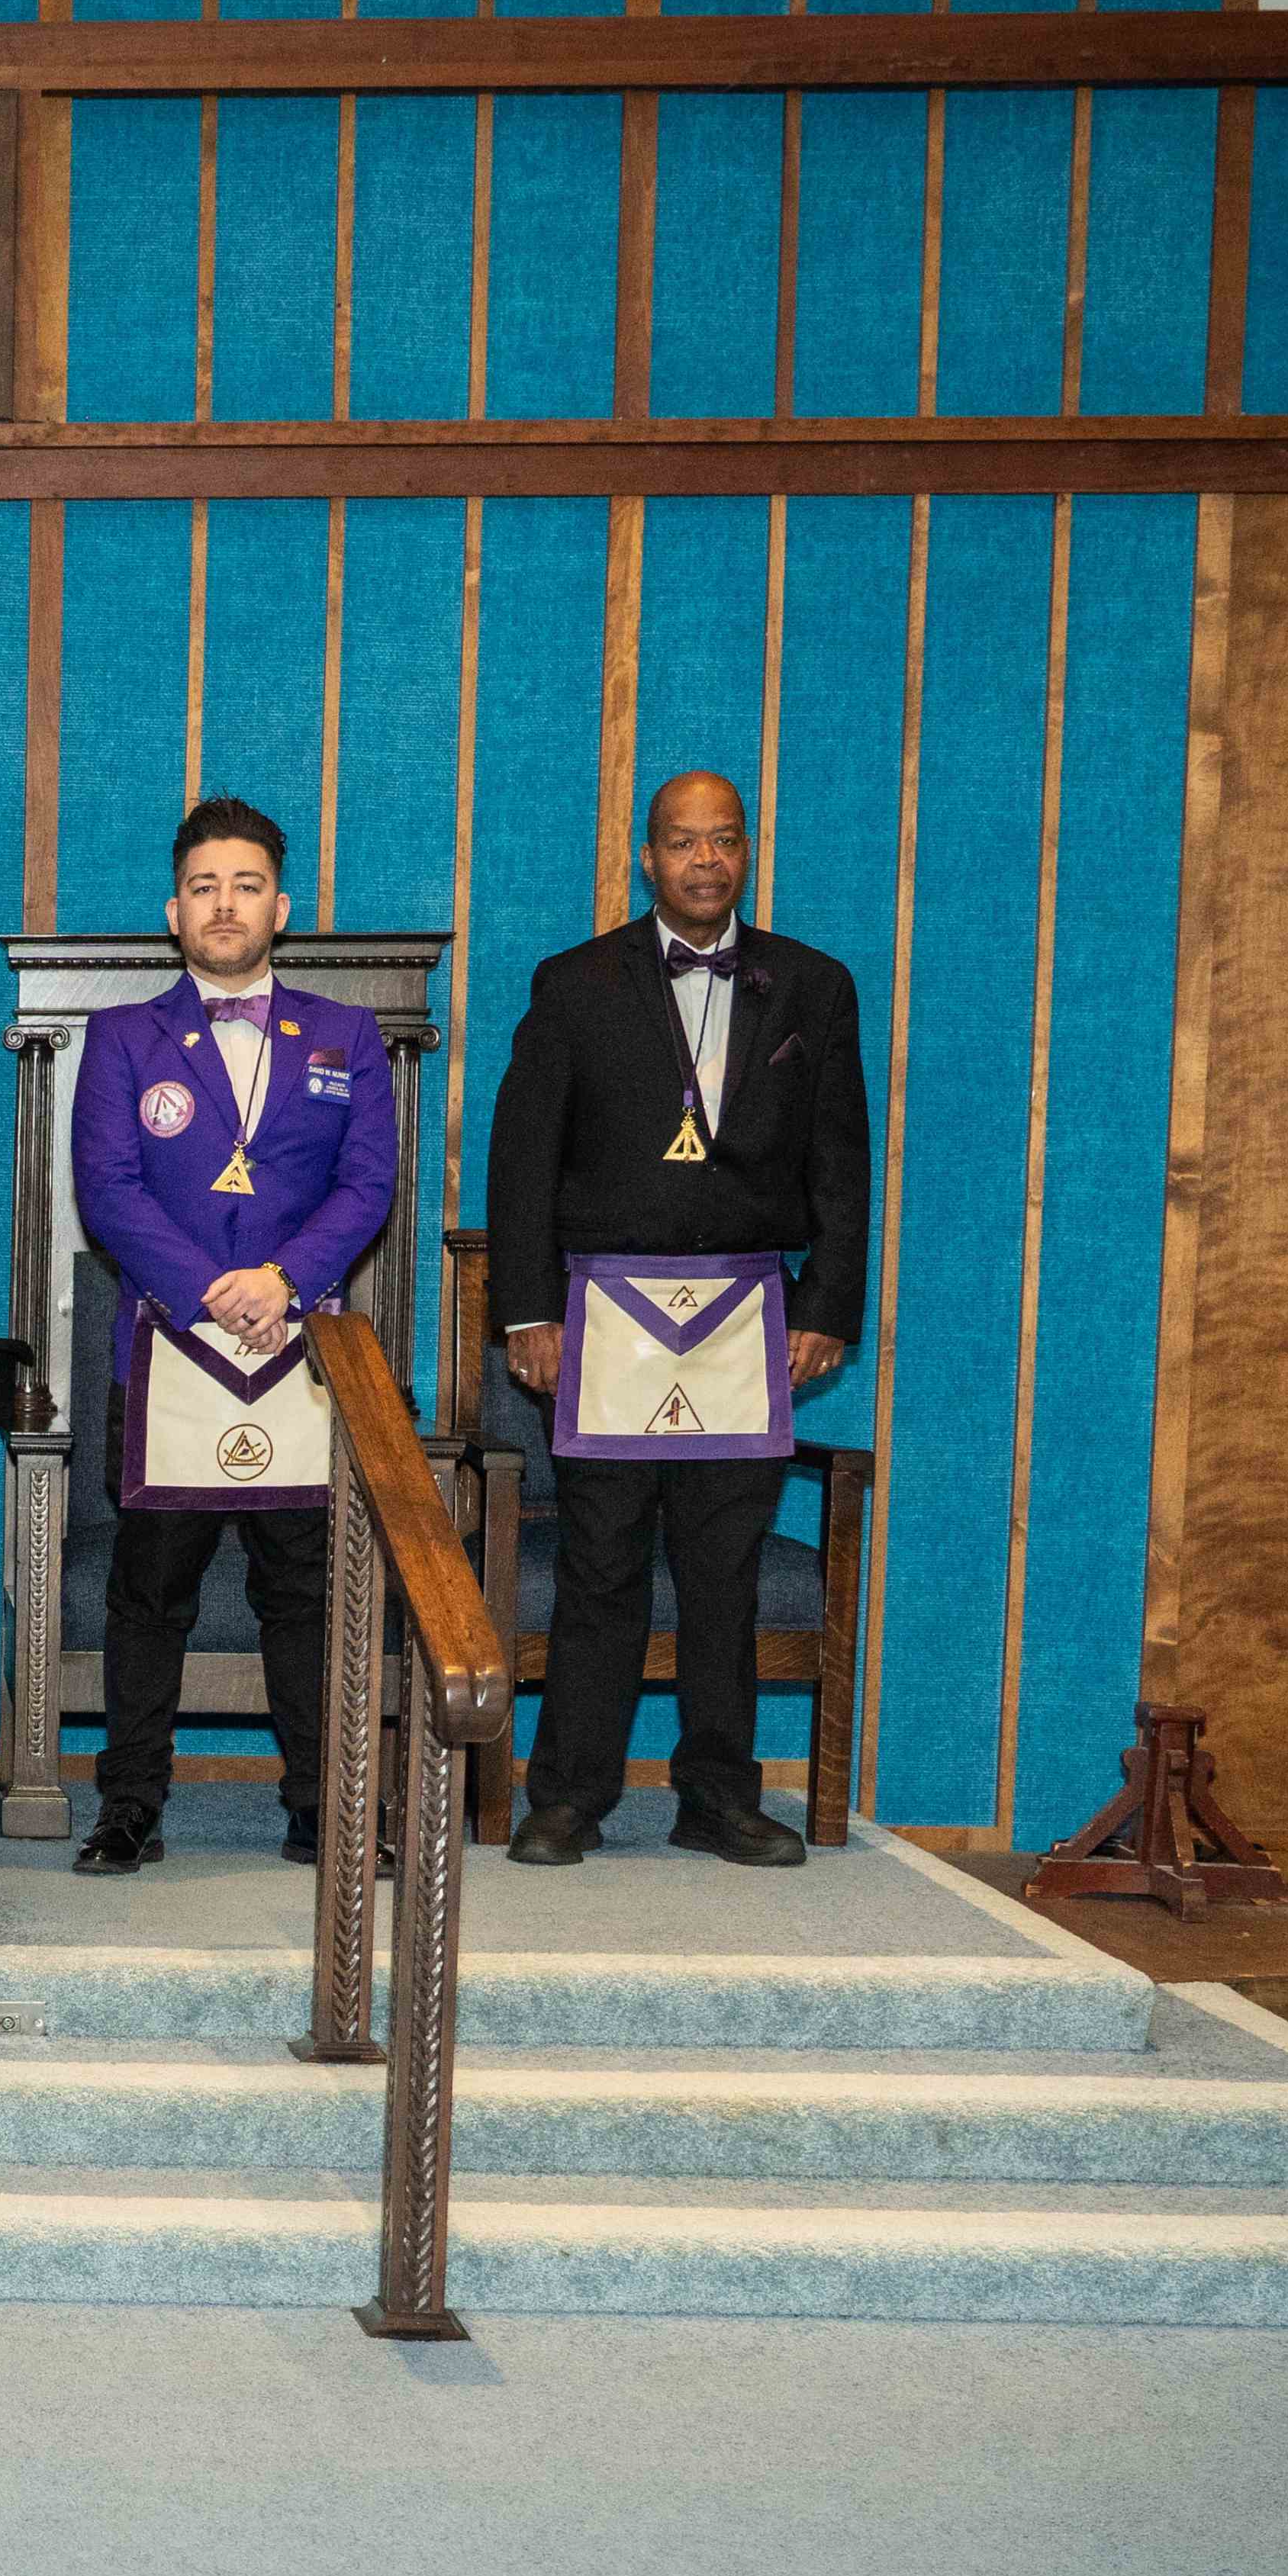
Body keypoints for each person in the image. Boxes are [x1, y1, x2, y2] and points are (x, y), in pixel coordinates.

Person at [485, 769, 871, 1870]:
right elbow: (523, 1164)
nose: (706, 860)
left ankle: (718, 1795)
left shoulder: (813, 987)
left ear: (745, 854)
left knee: (724, 1571)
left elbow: (842, 1164)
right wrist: (526, 1316)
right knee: (602, 1563)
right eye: (683, 843)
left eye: (725, 841)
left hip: (753, 1321)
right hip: (605, 1316)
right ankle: (567, 1799)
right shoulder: (574, 983)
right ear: (645, 859)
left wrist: (827, 1306)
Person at [65, 799, 415, 1873]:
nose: (226, 904)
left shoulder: (346, 1035)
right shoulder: (124, 1037)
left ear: (282, 906)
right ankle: (130, 1806)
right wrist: (209, 1289)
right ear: (174, 911)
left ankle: (323, 1807)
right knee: (149, 1588)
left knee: (306, 1590)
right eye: (206, 887)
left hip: (304, 1351)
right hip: (171, 1346)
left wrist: (286, 1280)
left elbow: (370, 1184)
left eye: (247, 885)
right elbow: (108, 1192)